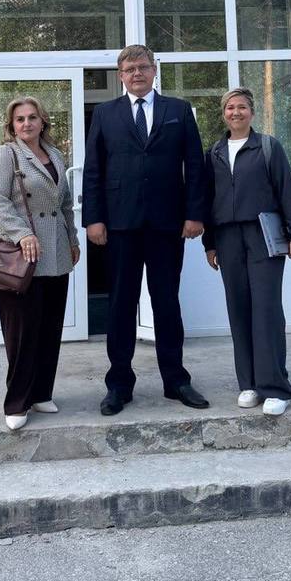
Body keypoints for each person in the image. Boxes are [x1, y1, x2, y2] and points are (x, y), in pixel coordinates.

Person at [82, 44, 209, 416]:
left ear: (154, 70)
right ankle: (119, 385)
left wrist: (195, 214)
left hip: (167, 224)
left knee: (167, 302)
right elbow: (94, 169)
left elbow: (195, 165)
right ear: (121, 76)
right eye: (129, 69)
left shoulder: (178, 110)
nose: (136, 74)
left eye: (142, 67)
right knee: (120, 305)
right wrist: (93, 218)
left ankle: (176, 381)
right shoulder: (105, 113)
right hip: (119, 225)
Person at [204, 88, 291, 417]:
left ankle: (275, 387)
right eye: (230, 107)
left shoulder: (267, 147)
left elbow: (286, 189)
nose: (236, 112)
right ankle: (249, 383)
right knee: (238, 309)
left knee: (266, 309)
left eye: (242, 107)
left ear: (252, 112)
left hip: (262, 234)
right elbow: (208, 199)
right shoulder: (214, 153)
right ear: (224, 113)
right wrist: (210, 242)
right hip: (227, 237)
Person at [0, 95, 80, 431]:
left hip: (55, 251)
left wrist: (72, 240)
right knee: (22, 331)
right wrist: (22, 233)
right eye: (20, 119)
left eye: (32, 117)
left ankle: (41, 393)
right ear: (12, 125)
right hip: (21, 254)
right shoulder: (5, 154)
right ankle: (17, 401)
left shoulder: (55, 154)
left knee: (50, 327)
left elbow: (64, 203)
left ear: (43, 122)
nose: (26, 123)